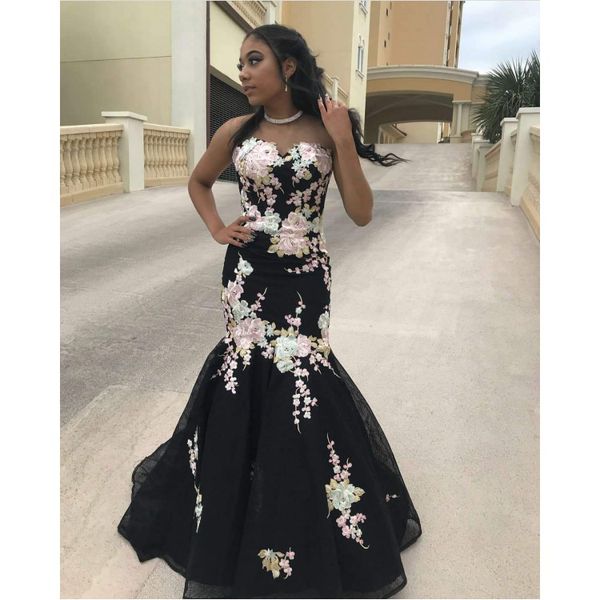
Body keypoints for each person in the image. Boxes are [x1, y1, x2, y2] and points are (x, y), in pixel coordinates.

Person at [117, 23, 422, 599]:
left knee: (303, 381)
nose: (243, 72)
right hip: (248, 275)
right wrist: (217, 229)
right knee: (246, 375)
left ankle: (299, 511)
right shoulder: (236, 130)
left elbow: (361, 213)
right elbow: (199, 181)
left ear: (288, 67)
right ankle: (234, 510)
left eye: (253, 60)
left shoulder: (327, 127)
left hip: (305, 277)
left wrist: (344, 142)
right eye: (240, 63)